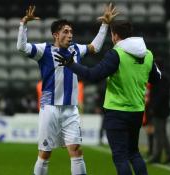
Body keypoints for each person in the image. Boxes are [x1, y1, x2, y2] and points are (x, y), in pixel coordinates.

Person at [16, 4, 118, 175]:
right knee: (45, 153)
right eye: (65, 31)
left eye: (71, 32)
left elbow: (95, 47)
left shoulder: (76, 49)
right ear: (55, 34)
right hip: (50, 108)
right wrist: (23, 24)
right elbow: (21, 47)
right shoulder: (44, 50)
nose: (70, 35)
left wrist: (105, 25)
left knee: (76, 150)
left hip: (71, 109)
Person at [55, 20, 161, 175]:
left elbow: (93, 75)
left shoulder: (116, 53)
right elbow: (156, 78)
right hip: (137, 111)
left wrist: (71, 64)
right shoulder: (148, 54)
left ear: (115, 35)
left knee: (120, 157)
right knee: (134, 153)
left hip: (116, 112)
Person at [148, 71, 170, 165]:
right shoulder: (164, 78)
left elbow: (160, 95)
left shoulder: (160, 79)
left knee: (159, 134)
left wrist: (153, 107)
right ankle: (168, 156)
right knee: (161, 134)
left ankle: (159, 156)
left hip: (159, 111)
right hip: (162, 110)